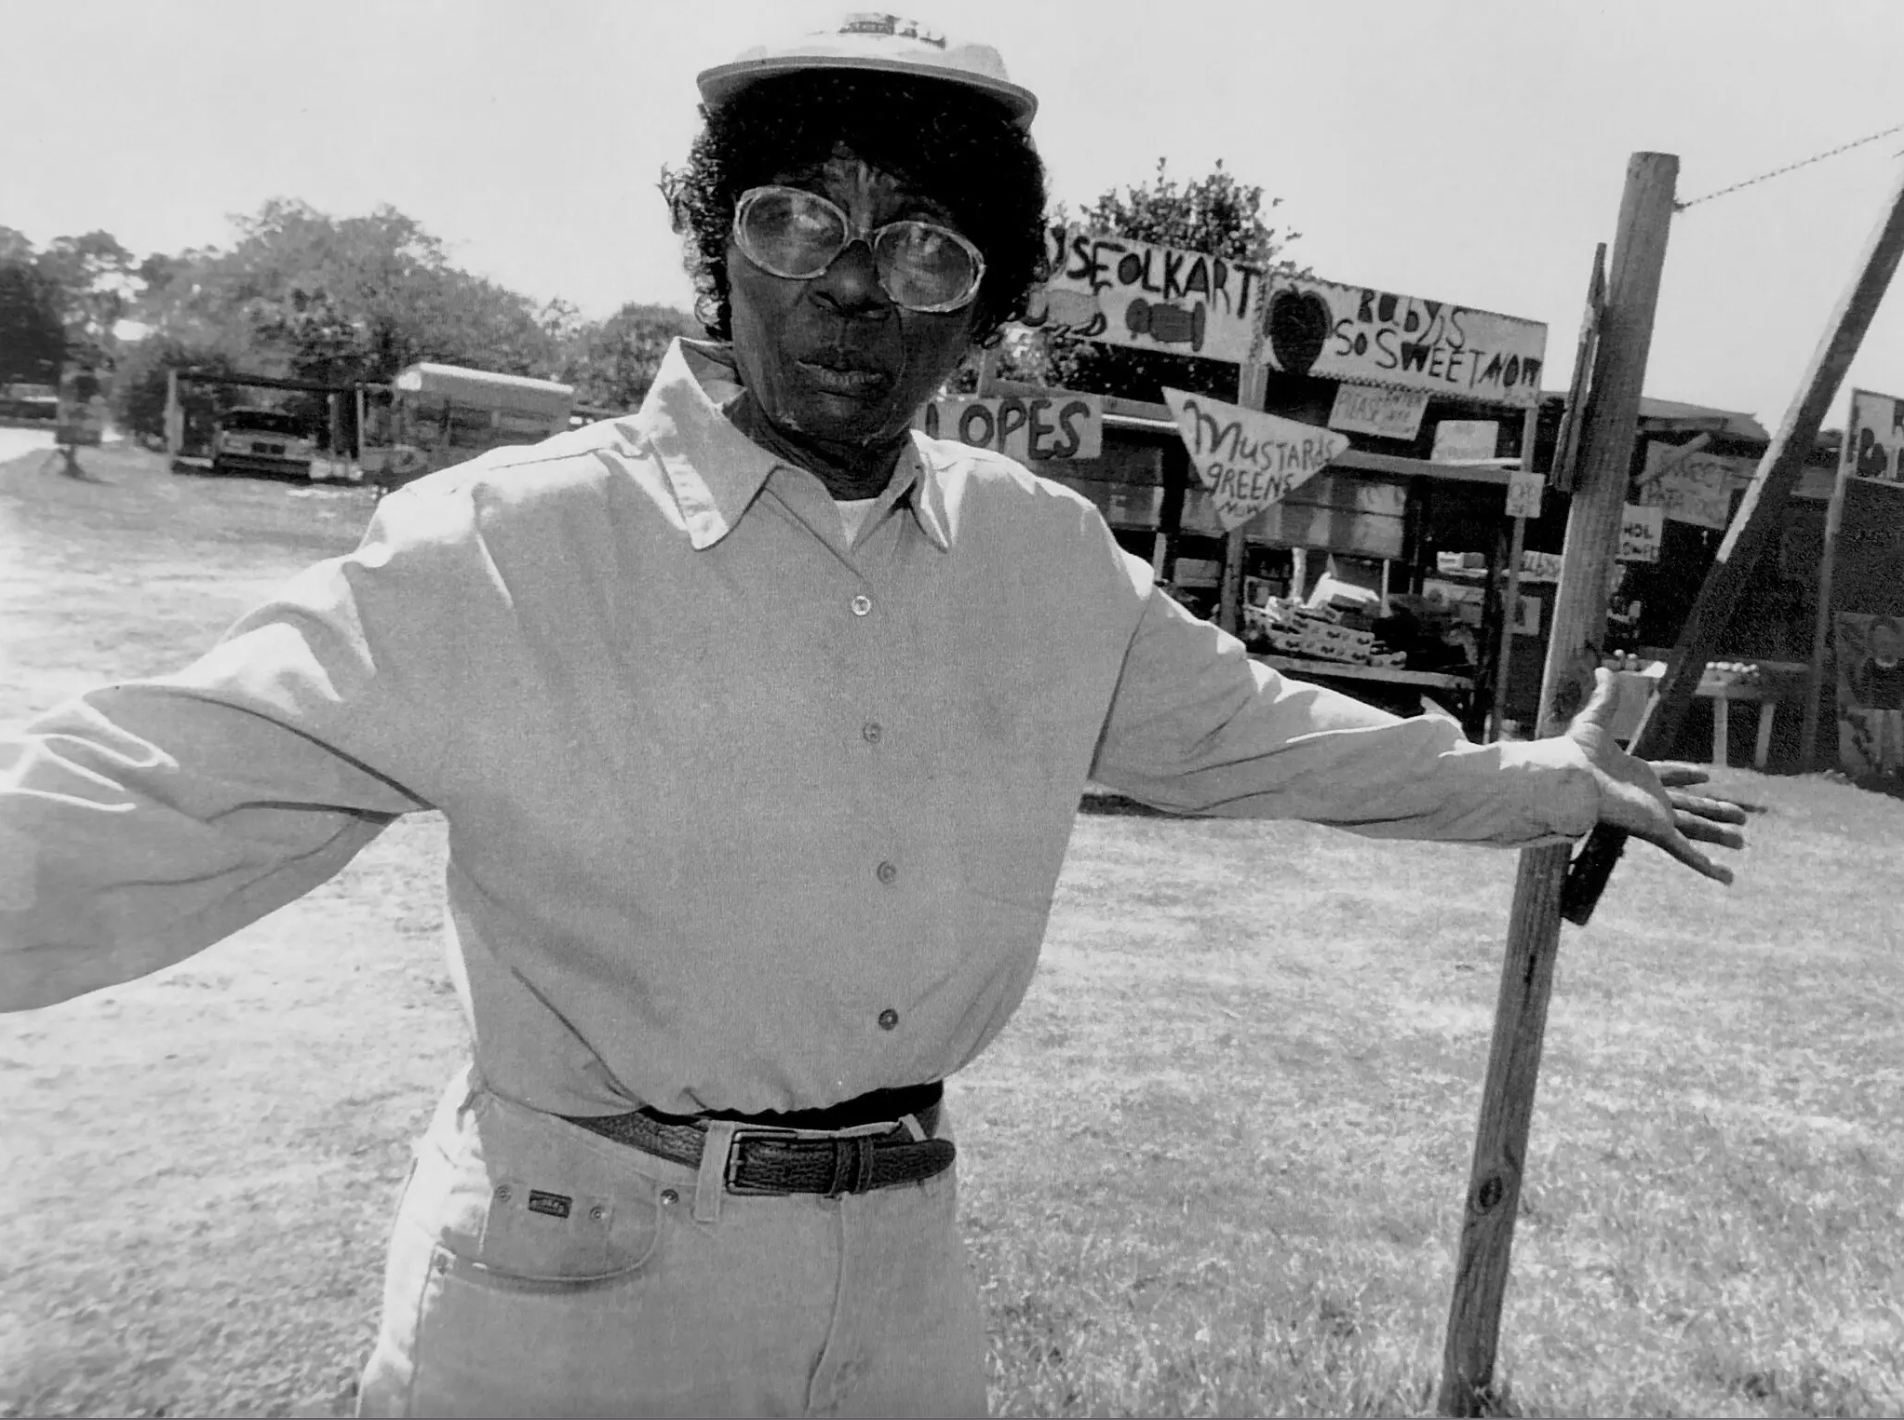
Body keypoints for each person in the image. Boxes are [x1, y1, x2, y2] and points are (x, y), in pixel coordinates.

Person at [0, 16, 1745, 1419]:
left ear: (979, 300)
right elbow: (160, 782)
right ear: (716, 249)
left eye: (922, 245)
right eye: (796, 218)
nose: (854, 283)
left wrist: (1544, 782)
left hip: (908, 1275)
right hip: (578, 1289)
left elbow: (1270, 735)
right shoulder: (511, 548)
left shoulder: (1043, 561)